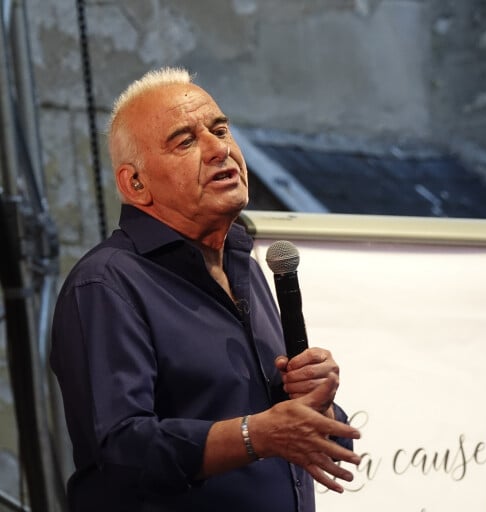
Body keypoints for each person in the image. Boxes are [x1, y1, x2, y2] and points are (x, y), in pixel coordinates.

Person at [50, 66, 361, 512]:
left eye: (221, 129)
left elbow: (282, 427)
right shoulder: (107, 283)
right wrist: (258, 435)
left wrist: (319, 405)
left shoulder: (247, 267)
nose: (220, 150)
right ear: (134, 184)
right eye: (186, 141)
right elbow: (122, 447)